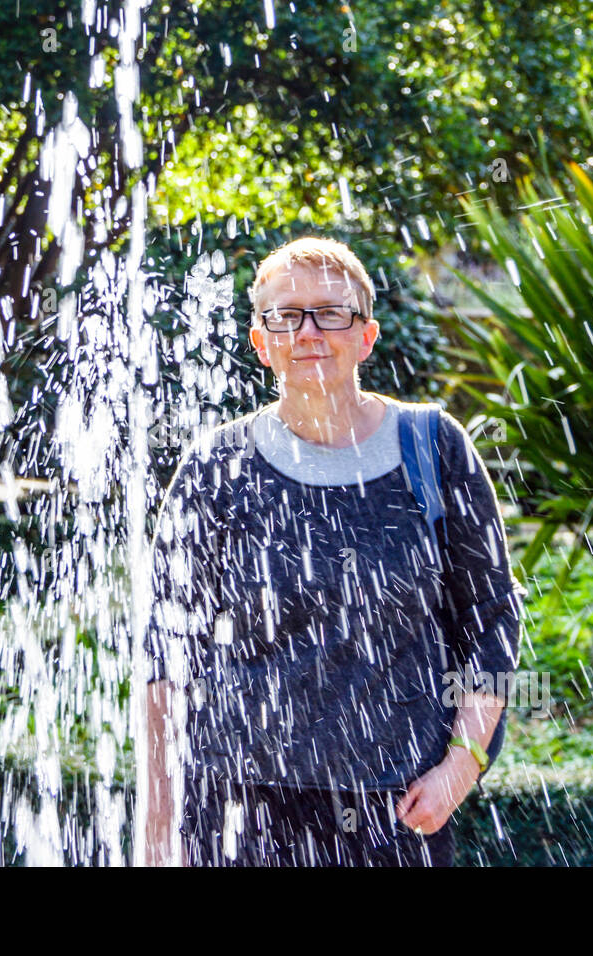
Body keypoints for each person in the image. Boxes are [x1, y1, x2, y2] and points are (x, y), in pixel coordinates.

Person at [143, 236, 526, 867]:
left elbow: (490, 619)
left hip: (395, 807)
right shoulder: (215, 465)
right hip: (237, 806)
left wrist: (462, 765)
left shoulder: (433, 448)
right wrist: (160, 836)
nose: (309, 331)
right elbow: (165, 653)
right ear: (260, 341)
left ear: (367, 336)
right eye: (285, 316)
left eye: (331, 312)